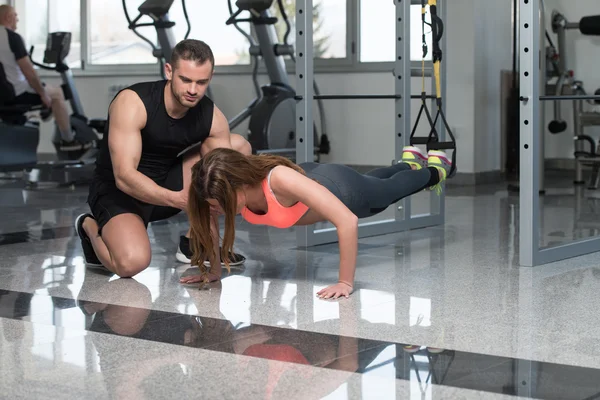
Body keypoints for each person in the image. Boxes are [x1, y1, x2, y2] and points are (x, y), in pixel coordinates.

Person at [74, 39, 251, 278]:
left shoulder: (211, 117)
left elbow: (215, 185)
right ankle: (88, 225)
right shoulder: (133, 102)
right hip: (119, 194)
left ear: (211, 77)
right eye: (185, 80)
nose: (193, 90)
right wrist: (179, 200)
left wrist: (214, 264)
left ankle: (193, 244)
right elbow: (124, 177)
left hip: (165, 184)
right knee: (131, 264)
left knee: (237, 147)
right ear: (169, 71)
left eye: (201, 82)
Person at [180, 145, 454, 299]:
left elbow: (347, 221)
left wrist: (345, 283)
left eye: (218, 204)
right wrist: (213, 269)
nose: (214, 210)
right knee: (374, 181)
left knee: (385, 194)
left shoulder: (279, 181)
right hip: (315, 179)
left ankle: (435, 170)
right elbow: (208, 219)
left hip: (343, 190)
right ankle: (408, 163)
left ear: (238, 185)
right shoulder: (220, 189)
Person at [0, 4, 82, 149]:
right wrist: (43, 94)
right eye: (15, 15)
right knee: (57, 93)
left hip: (4, 94)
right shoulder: (12, 38)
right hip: (17, 92)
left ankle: (47, 110)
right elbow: (29, 72)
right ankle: (69, 141)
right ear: (7, 17)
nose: (17, 19)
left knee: (48, 91)